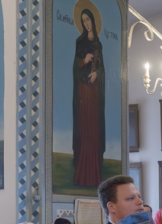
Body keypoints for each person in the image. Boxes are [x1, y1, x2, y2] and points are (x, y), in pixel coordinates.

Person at [72, 9, 105, 187]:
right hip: (84, 91)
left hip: (94, 91)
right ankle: (82, 171)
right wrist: (84, 60)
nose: (86, 23)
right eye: (83, 20)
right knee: (85, 128)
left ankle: (95, 172)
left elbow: (103, 68)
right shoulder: (80, 42)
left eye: (88, 19)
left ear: (93, 20)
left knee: (94, 128)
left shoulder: (99, 44)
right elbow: (75, 66)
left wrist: (97, 73)